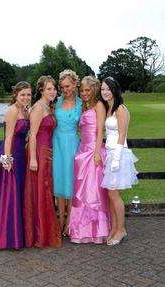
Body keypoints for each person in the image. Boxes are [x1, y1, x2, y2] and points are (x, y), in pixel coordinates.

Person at [0, 81, 31, 249]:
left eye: (28, 94)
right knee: (8, 194)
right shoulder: (12, 111)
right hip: (10, 156)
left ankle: (16, 234)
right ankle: (4, 237)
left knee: (18, 194)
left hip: (21, 156)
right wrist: (7, 160)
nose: (26, 97)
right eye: (22, 94)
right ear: (15, 95)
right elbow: (8, 137)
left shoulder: (25, 111)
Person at [69, 76, 110, 244]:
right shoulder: (85, 106)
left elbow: (100, 130)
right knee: (81, 192)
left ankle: (96, 231)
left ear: (94, 89)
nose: (84, 93)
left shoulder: (99, 105)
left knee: (94, 192)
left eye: (88, 90)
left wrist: (96, 153)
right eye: (82, 91)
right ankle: (80, 230)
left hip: (94, 151)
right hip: (82, 151)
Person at [23, 75, 61, 248]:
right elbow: (32, 135)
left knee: (45, 190)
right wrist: (32, 158)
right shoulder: (38, 107)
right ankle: (39, 234)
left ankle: (43, 231)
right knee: (41, 191)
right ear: (41, 90)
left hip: (47, 153)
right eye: (48, 89)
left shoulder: (49, 106)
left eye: (53, 88)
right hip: (38, 153)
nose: (52, 91)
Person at [100, 76, 138, 246]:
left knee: (114, 194)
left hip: (118, 154)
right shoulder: (108, 108)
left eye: (108, 89)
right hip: (109, 153)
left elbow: (122, 135)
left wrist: (115, 159)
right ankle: (115, 227)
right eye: (102, 89)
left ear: (115, 90)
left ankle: (121, 229)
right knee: (110, 194)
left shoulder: (121, 109)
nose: (105, 92)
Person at [53, 69, 82, 236]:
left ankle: (69, 223)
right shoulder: (55, 102)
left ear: (75, 84)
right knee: (59, 182)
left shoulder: (81, 103)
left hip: (73, 145)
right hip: (57, 144)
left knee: (71, 183)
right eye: (63, 87)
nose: (65, 90)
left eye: (68, 86)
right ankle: (60, 221)